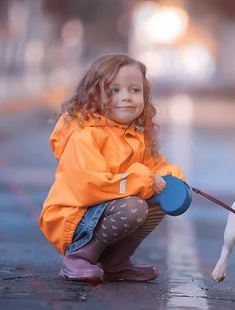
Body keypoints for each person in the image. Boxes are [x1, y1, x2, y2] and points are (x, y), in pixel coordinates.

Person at [39, 53, 186, 283]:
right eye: (114, 90)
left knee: (158, 198)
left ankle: (115, 263)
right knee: (135, 206)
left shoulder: (133, 136)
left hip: (102, 211)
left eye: (135, 90)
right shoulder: (85, 136)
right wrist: (145, 181)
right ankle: (78, 257)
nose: (126, 97)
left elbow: (156, 167)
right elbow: (90, 186)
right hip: (74, 217)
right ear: (93, 95)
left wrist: (174, 181)